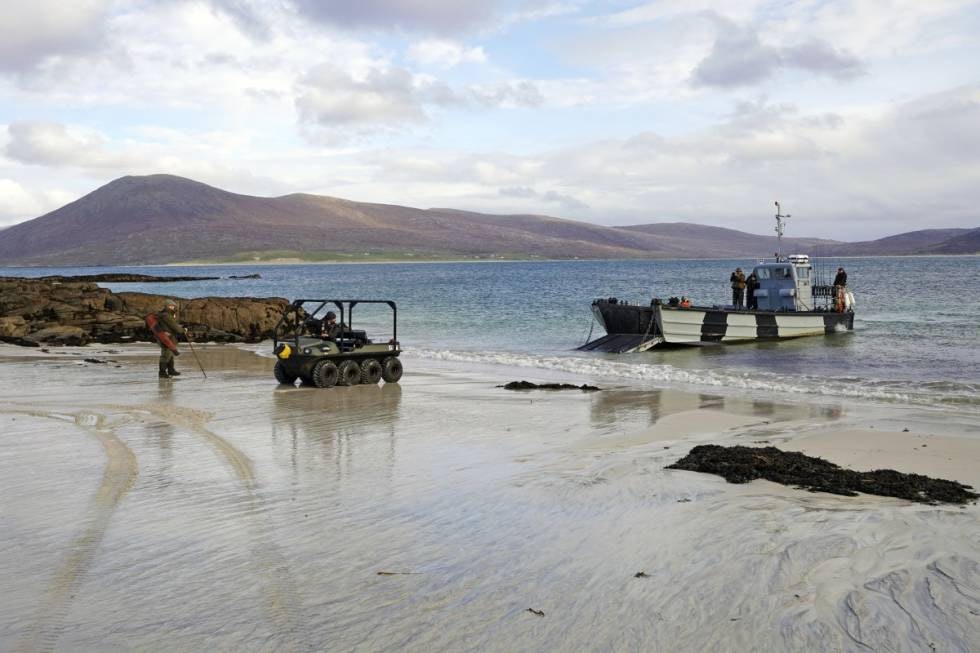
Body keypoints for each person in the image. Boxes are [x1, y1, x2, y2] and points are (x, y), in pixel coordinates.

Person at [155, 299, 186, 378]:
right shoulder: (166, 315)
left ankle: (171, 370)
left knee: (169, 354)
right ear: (166, 306)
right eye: (170, 306)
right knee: (166, 355)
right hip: (166, 338)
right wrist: (182, 330)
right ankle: (162, 373)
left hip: (166, 337)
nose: (172, 307)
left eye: (173, 306)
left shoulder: (166, 314)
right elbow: (174, 326)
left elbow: (172, 325)